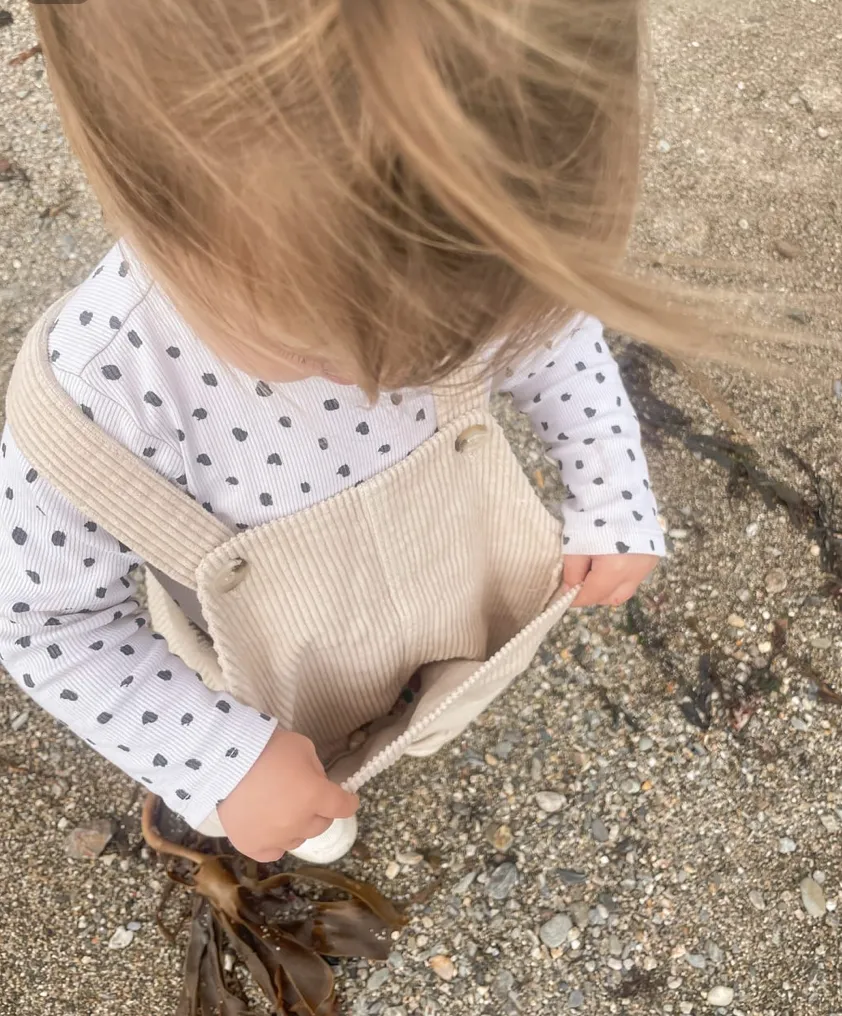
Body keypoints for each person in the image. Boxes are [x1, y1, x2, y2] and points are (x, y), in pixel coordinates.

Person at [0, 0, 673, 864]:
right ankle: (314, 791)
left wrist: (610, 484)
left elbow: (555, 335)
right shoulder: (103, 400)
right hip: (270, 672)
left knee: (430, 707)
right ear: (154, 212)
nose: (389, 378)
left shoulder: (472, 262)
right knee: (300, 794)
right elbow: (41, 619)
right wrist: (217, 757)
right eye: (322, 350)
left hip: (441, 582)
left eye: (457, 340)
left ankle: (405, 722)